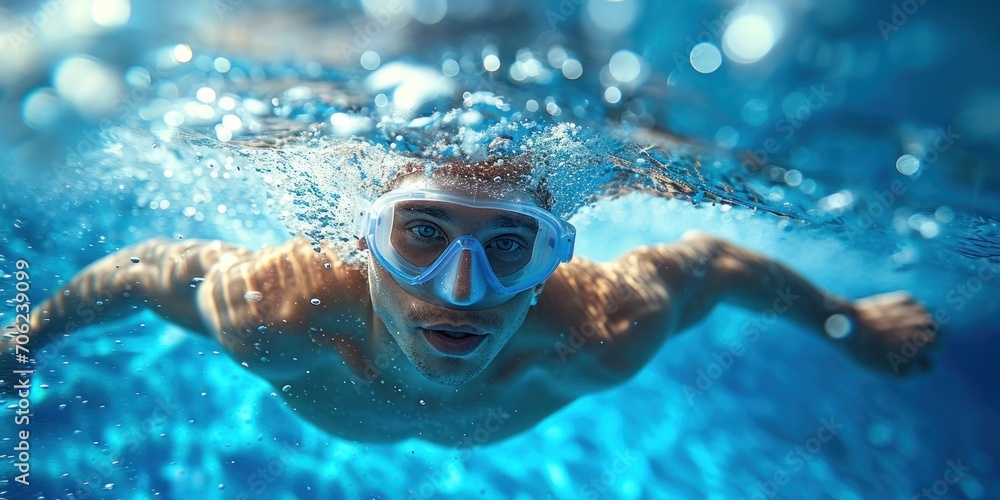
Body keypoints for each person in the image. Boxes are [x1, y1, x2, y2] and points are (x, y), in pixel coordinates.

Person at [1, 157, 937, 445]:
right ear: (360, 244)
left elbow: (716, 258)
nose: (461, 292)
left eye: (505, 245)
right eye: (418, 234)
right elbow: (135, 272)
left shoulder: (600, 330)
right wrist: (29, 333)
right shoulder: (278, 310)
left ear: (546, 260)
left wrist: (846, 323)